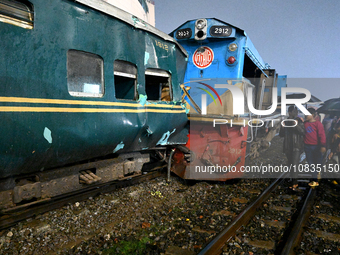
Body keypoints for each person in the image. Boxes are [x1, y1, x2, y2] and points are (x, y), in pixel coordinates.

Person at [280, 106, 305, 191]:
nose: (296, 113)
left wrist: (296, 124)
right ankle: (292, 180)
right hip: (288, 146)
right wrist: (282, 128)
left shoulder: (299, 120)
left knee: (294, 164)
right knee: (290, 164)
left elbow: (302, 132)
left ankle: (294, 183)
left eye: (296, 111)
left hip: (296, 146)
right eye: (294, 111)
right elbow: (281, 135)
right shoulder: (285, 121)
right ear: (289, 112)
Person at [304, 108, 326, 187]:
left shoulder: (318, 124)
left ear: (312, 115)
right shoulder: (305, 123)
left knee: (318, 162)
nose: (305, 115)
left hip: (316, 146)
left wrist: (323, 145)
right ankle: (314, 179)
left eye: (307, 114)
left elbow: (322, 135)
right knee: (310, 163)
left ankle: (317, 174)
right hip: (307, 146)